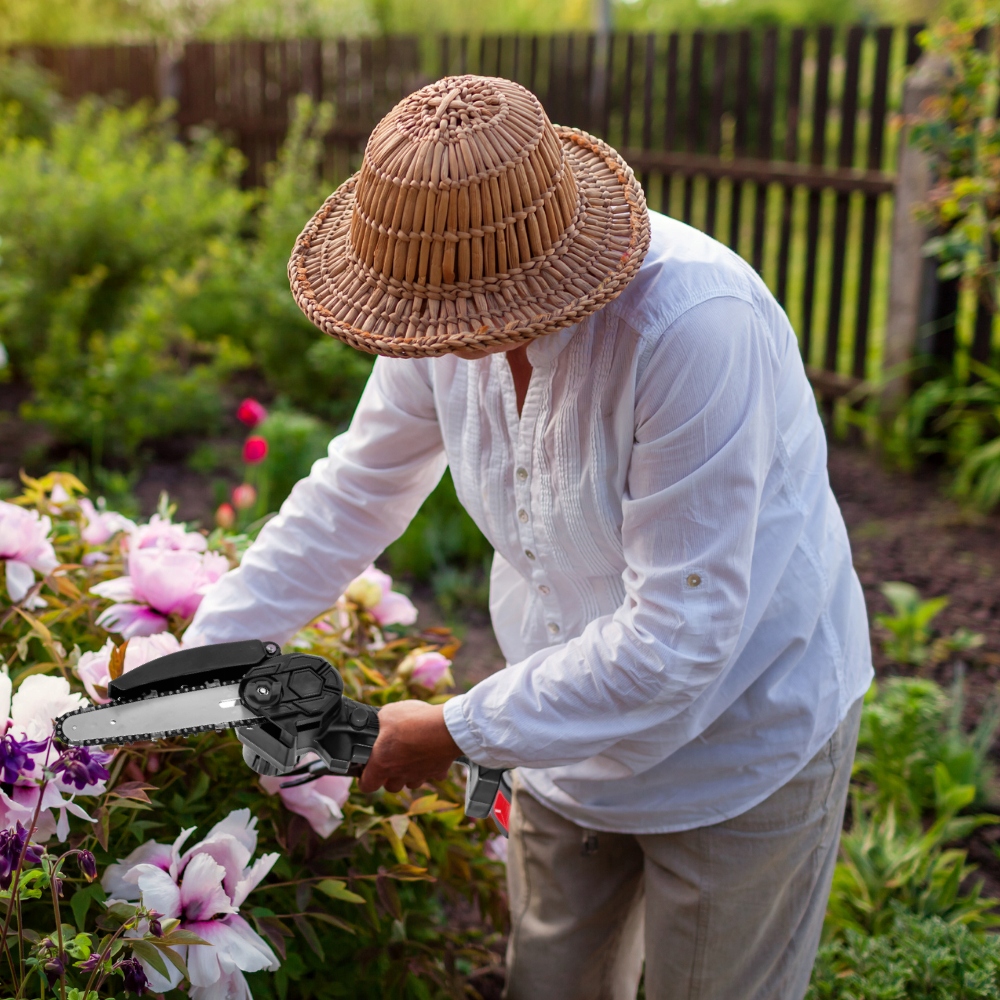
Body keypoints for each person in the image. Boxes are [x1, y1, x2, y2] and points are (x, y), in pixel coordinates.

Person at [186, 74, 871, 1000]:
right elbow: (357, 488)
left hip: (741, 734)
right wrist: (201, 651)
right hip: (561, 733)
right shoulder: (432, 300)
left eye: (472, 316)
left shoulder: (693, 328)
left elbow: (679, 639)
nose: (444, 339)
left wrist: (451, 731)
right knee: (550, 981)